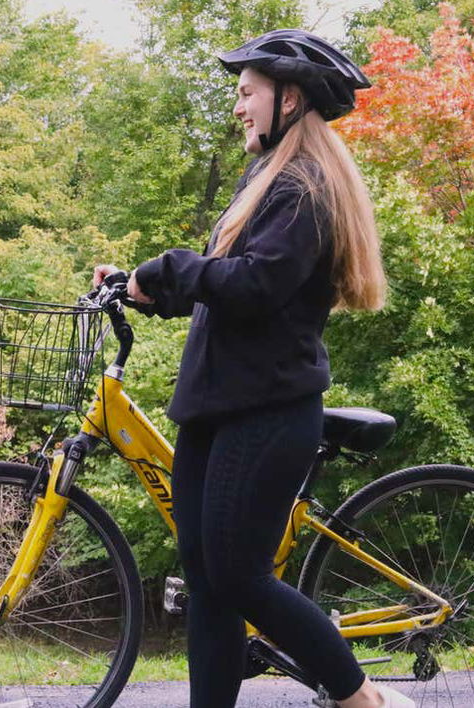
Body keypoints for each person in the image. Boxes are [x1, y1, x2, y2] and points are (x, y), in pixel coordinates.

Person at [93, 30, 411, 708]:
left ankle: (362, 700)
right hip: (218, 411)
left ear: (288, 98)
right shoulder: (268, 180)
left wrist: (173, 266)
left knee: (239, 580)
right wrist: (139, 287)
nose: (238, 107)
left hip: (266, 414)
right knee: (208, 585)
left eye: (246, 94)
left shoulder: (306, 188)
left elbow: (258, 287)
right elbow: (224, 290)